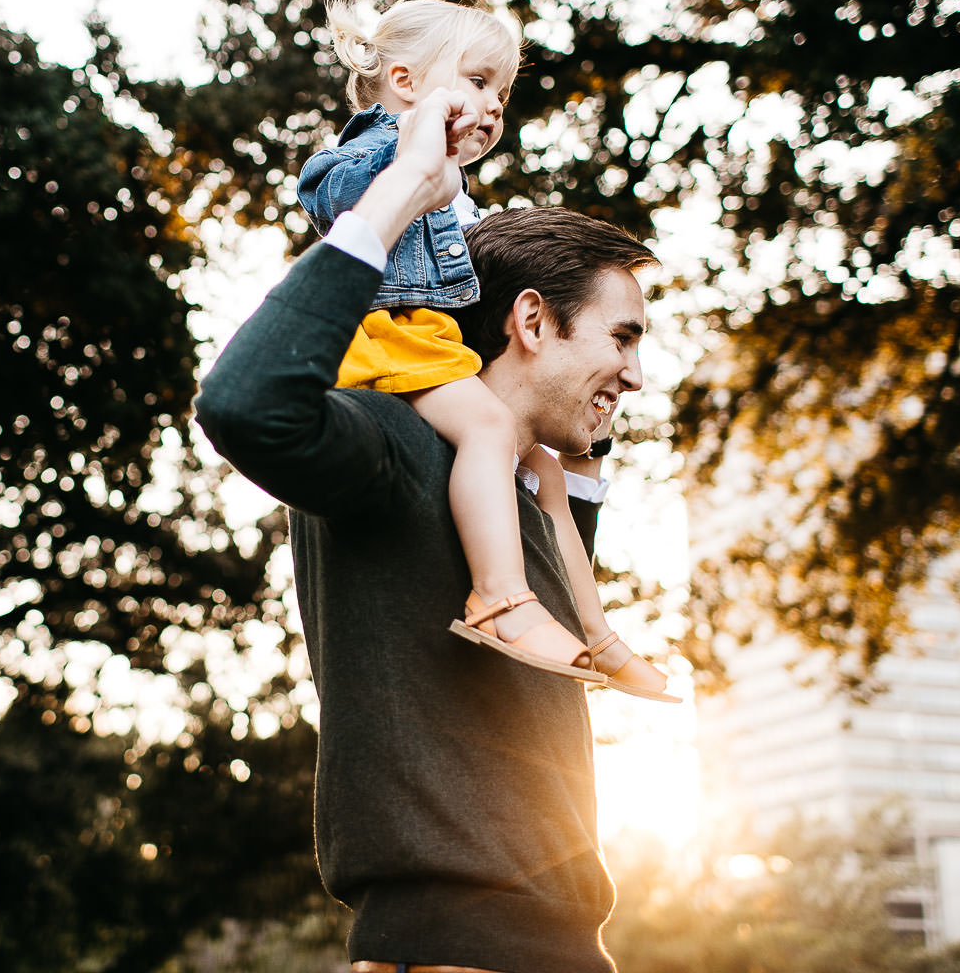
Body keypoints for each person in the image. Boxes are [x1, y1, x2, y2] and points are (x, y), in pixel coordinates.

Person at [195, 92, 670, 971]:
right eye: (623, 338)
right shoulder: (393, 444)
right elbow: (241, 403)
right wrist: (402, 189)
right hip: (457, 949)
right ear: (531, 321)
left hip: (559, 947)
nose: (637, 375)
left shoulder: (521, 495)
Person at [296, 0, 670, 698]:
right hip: (391, 338)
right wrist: (411, 164)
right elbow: (329, 194)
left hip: (435, 343)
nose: (493, 105)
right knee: (492, 427)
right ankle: (498, 598)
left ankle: (598, 633)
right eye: (476, 81)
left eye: (500, 92)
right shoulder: (385, 149)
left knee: (550, 478)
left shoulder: (453, 187)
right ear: (407, 84)